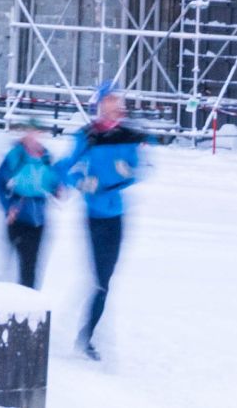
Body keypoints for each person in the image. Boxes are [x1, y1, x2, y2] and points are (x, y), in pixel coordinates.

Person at [61, 86, 153, 359]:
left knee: (105, 279)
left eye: (116, 100)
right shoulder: (88, 135)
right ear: (100, 105)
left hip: (117, 214)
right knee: (100, 280)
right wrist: (81, 183)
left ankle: (87, 332)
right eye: (109, 100)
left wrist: (130, 171)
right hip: (93, 214)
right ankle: (86, 338)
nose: (114, 105)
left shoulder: (128, 135)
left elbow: (144, 168)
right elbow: (64, 167)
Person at [0, 126, 60, 288]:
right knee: (8, 265)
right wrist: (8, 206)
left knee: (30, 267)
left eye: (37, 132)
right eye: (29, 132)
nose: (33, 136)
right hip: (17, 217)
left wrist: (57, 189)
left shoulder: (46, 156)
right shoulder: (15, 155)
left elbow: (52, 181)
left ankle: (27, 299)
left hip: (38, 219)